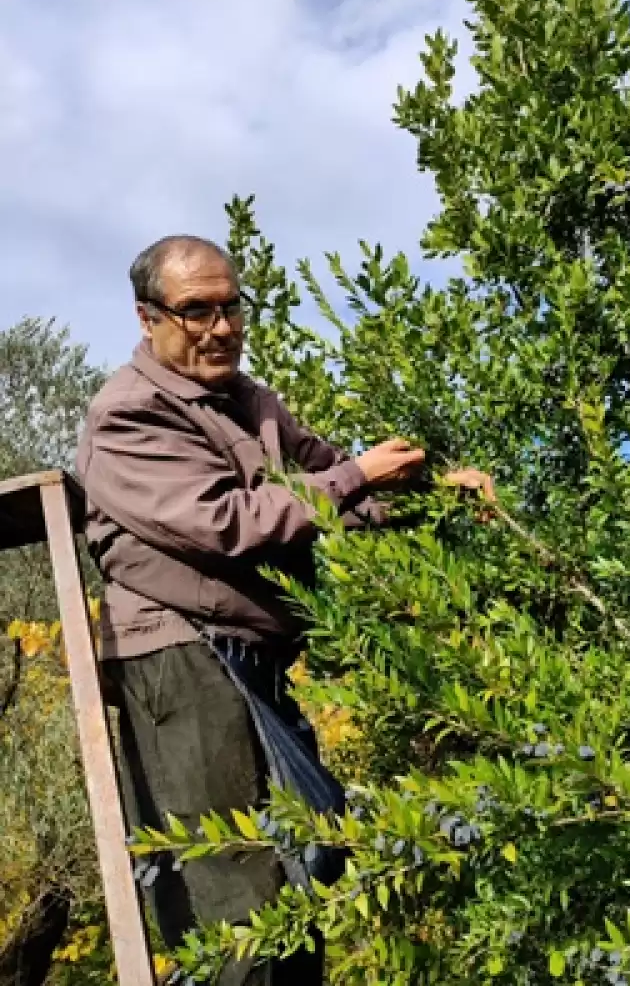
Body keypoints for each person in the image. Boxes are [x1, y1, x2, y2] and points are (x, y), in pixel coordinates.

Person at [76, 235, 494, 985]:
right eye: (195, 310)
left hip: (253, 655)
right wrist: (358, 476)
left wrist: (435, 496)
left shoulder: (252, 401)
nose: (221, 327)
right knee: (237, 892)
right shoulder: (127, 415)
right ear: (148, 319)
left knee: (308, 863)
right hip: (183, 657)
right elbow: (227, 521)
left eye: (231, 305)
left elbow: (336, 489)